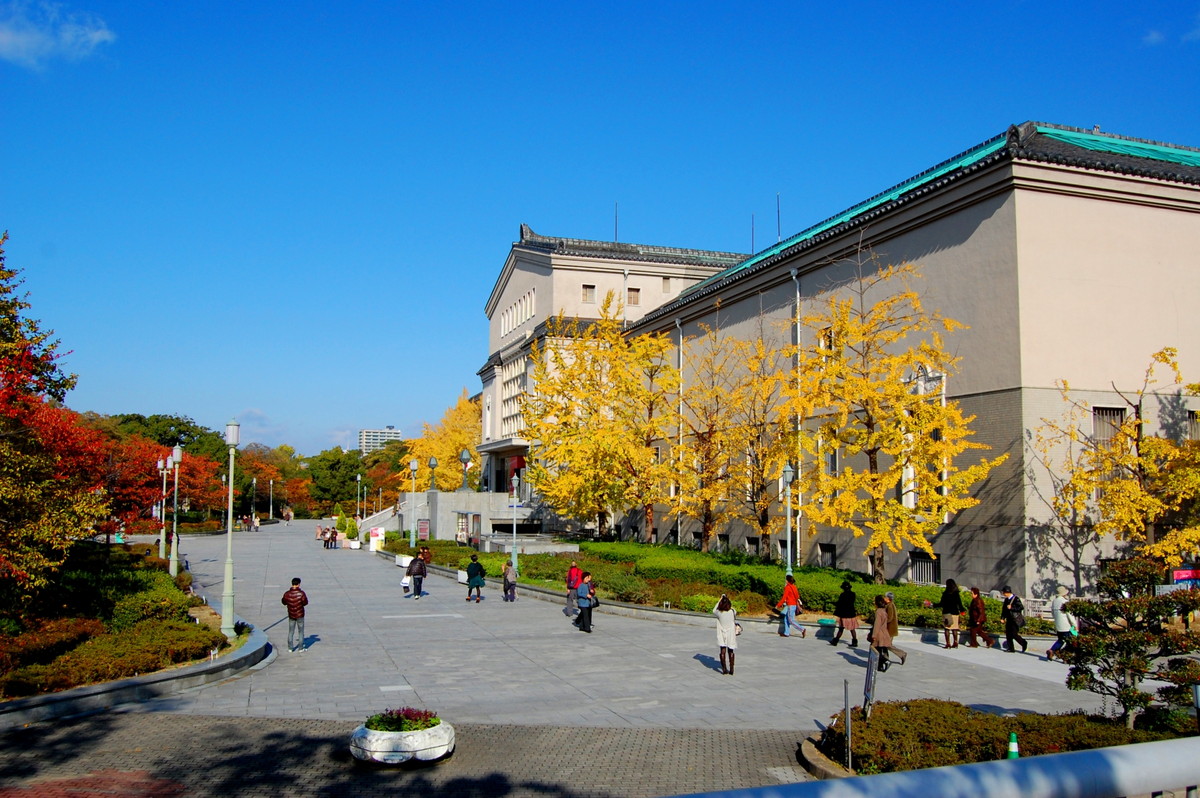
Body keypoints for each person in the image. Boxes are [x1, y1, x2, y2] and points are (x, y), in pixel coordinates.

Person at [1047, 585, 1077, 661]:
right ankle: (1065, 657)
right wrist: (1074, 624)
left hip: (1058, 625)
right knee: (1070, 643)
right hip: (1066, 626)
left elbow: (1053, 613)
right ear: (1064, 594)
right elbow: (1069, 615)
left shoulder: (1055, 601)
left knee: (1060, 640)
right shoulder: (1065, 602)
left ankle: (1052, 650)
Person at [281, 577, 308, 653]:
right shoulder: (301, 593)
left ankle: (290, 648)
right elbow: (305, 603)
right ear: (298, 584)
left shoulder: (287, 594)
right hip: (300, 615)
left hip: (291, 615)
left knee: (291, 631)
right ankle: (300, 648)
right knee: (301, 631)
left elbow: (283, 602)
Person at [830, 581, 860, 648]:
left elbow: (840, 603)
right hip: (851, 613)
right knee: (852, 629)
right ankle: (855, 641)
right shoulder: (853, 594)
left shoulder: (843, 595)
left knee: (841, 628)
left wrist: (833, 603)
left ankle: (835, 641)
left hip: (844, 614)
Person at [713, 594, 738, 674]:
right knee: (731, 650)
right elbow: (733, 609)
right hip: (731, 633)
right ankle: (731, 669)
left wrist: (720, 600)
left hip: (722, 633)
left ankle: (724, 669)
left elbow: (714, 610)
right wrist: (727, 599)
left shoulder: (719, 613)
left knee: (722, 650)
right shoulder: (732, 612)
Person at [1000, 585, 1028, 653]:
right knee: (1008, 634)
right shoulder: (1006, 599)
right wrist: (1002, 618)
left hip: (1015, 619)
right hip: (1009, 618)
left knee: (1014, 634)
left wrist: (1012, 607)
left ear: (1007, 592)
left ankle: (1023, 643)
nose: (1003, 594)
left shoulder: (1016, 599)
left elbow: (1021, 607)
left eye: (1004, 593)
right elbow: (1004, 609)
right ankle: (1011, 648)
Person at [883, 591, 907, 665]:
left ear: (888, 598)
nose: (884, 598)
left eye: (885, 597)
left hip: (889, 629)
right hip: (889, 629)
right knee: (884, 644)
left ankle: (902, 654)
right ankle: (885, 658)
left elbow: (889, 618)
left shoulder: (890, 606)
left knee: (887, 644)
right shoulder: (889, 605)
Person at [939, 579, 964, 649]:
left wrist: (933, 605)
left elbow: (941, 604)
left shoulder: (945, 594)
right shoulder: (956, 593)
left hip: (947, 613)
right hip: (955, 613)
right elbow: (960, 603)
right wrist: (962, 610)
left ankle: (948, 644)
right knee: (954, 628)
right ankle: (955, 642)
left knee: (947, 629)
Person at [870, 594, 893, 666]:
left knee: (876, 650)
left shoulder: (878, 612)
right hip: (884, 633)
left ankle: (883, 662)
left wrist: (874, 635)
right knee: (880, 649)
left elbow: (877, 624)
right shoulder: (884, 611)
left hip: (879, 634)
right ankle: (881, 664)